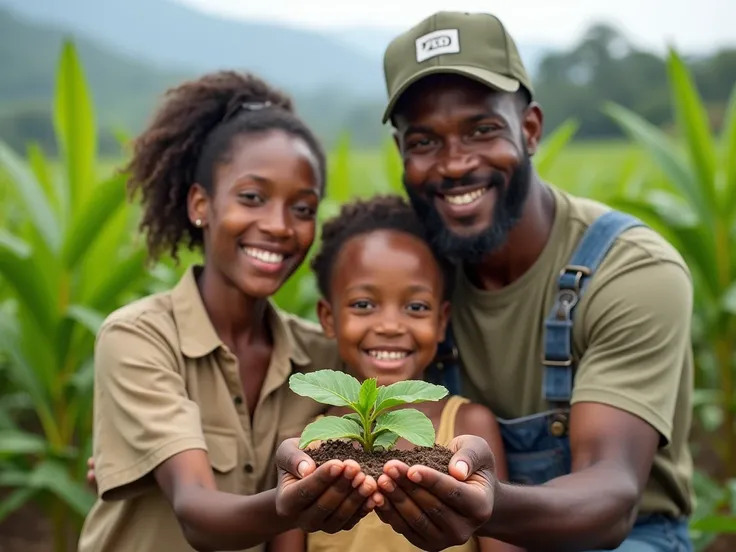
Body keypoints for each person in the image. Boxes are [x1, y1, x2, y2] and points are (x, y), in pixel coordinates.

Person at [275, 11, 695, 552]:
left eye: (481, 129)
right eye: (424, 141)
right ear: (402, 154)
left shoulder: (628, 270)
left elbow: (611, 497)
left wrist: (486, 503)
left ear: (531, 128)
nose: (454, 164)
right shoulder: (415, 276)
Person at [77, 70, 379, 552]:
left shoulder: (322, 359)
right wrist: (292, 503)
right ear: (201, 204)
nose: (280, 226)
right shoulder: (137, 338)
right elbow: (196, 512)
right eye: (252, 198)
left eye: (302, 209)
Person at [269, 195, 521, 552]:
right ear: (328, 317)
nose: (389, 325)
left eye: (416, 307)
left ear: (441, 320)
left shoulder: (467, 427)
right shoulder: (307, 444)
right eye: (363, 304)